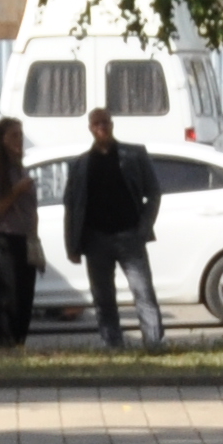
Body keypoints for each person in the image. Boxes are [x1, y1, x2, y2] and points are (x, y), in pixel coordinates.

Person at [69, 106, 167, 351]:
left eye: (105, 122)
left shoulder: (133, 154)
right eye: (96, 123)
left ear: (112, 124)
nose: (102, 127)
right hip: (95, 239)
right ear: (90, 128)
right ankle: (113, 344)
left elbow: (153, 192)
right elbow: (72, 206)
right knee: (103, 298)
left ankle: (154, 343)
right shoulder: (81, 163)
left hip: (129, 237)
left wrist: (144, 227)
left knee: (143, 292)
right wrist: (73, 244)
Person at [0, 113, 39, 345]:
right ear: (2, 139)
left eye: (21, 135)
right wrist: (15, 192)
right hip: (3, 238)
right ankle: (6, 342)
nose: (19, 140)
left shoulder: (20, 169)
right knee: (9, 296)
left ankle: (19, 341)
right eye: (14, 135)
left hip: (24, 237)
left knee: (25, 296)